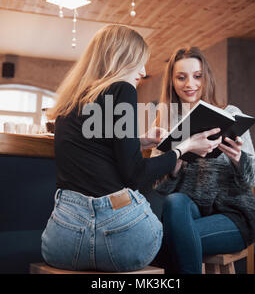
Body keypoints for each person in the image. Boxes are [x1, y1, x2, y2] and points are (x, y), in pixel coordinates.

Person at [40, 26, 219, 272]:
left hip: (62, 244)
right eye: (139, 63)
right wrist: (183, 147)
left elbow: (95, 148)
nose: (144, 72)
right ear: (120, 58)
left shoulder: (69, 101)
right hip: (124, 243)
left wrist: (140, 141)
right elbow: (134, 174)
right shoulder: (123, 89)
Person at [150, 47, 255, 274]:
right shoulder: (165, 122)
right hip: (188, 214)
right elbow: (158, 186)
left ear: (206, 78)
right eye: (181, 77)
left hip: (233, 217)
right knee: (175, 201)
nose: (190, 84)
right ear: (172, 82)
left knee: (166, 243)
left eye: (197, 76)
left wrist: (238, 158)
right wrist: (176, 162)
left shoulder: (229, 112)